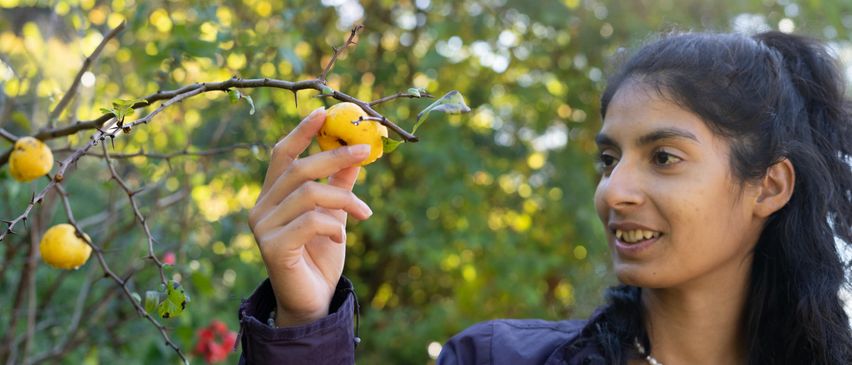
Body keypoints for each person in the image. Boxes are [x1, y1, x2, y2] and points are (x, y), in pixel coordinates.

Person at [236, 30, 852, 364]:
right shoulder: (493, 358)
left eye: (663, 157)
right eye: (608, 159)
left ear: (768, 186)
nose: (615, 190)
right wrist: (305, 328)